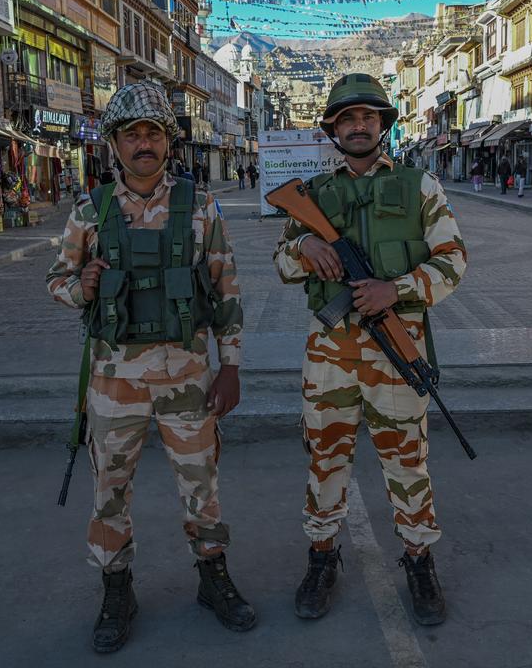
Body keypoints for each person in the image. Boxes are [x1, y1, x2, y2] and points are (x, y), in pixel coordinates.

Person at [45, 83, 255, 653]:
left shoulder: (199, 204)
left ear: (169, 141)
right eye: (132, 133)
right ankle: (117, 590)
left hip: (187, 376)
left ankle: (213, 578)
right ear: (115, 142)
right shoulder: (91, 209)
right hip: (114, 385)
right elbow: (55, 282)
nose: (144, 143)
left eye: (154, 133)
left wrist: (229, 366)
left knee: (201, 485)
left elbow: (226, 288)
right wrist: (80, 287)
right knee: (109, 489)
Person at [273, 73, 468, 627]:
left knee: (408, 462)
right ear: (332, 128)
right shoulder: (311, 196)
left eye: (369, 117)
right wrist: (306, 246)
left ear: (383, 125)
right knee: (325, 458)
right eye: (347, 118)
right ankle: (321, 557)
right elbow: (281, 264)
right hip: (330, 353)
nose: (358, 126)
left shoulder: (420, 186)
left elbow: (454, 261)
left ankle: (418, 559)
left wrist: (396, 289)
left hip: (395, 351)